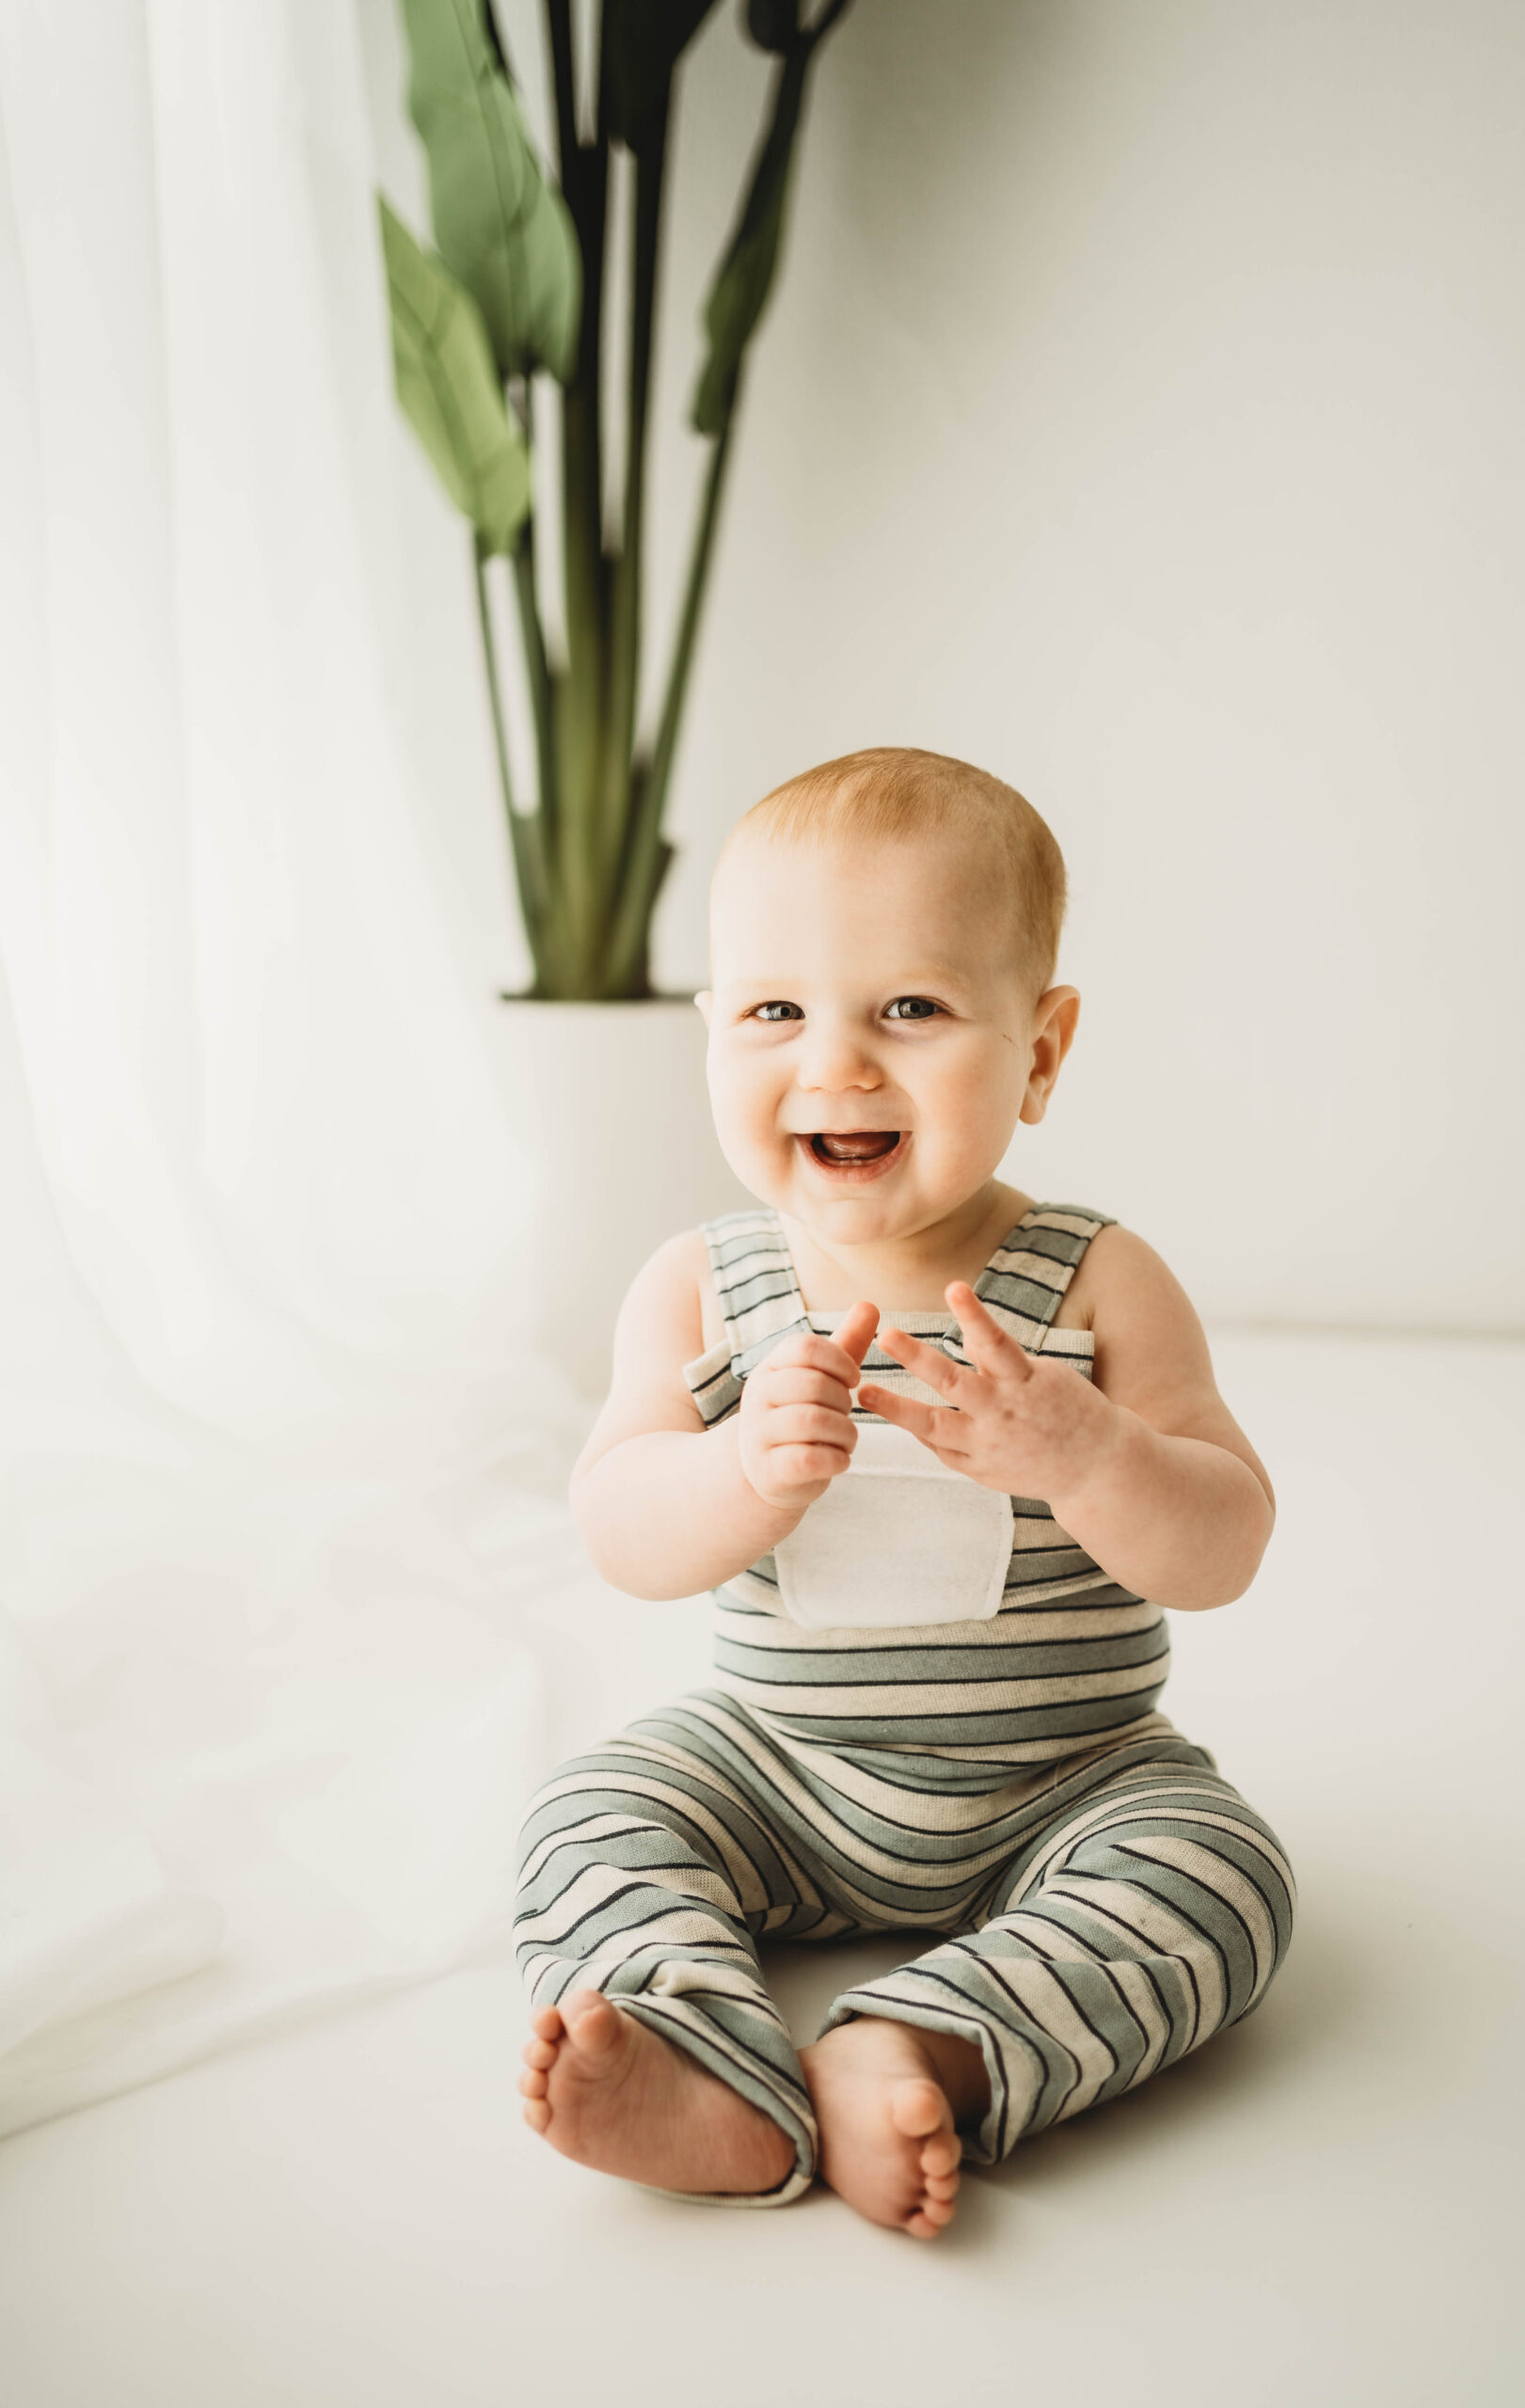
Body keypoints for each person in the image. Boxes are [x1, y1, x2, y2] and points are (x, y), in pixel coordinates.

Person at [514, 746, 1294, 2239]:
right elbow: (620, 1527)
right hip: (779, 1773)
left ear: (1043, 1050)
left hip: (1073, 1781)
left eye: (912, 1010)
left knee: (1229, 1878)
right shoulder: (703, 1289)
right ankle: (704, 2057)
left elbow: (1225, 1543)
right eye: (775, 1013)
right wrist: (738, 1473)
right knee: (589, 1809)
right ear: (712, 1041)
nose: (837, 1065)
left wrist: (1091, 1456)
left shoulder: (1097, 1279)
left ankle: (920, 2043)